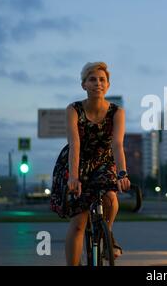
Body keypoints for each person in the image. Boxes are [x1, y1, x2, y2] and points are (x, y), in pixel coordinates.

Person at [50, 61, 131, 266]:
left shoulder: (117, 112)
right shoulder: (74, 109)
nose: (97, 83)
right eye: (92, 79)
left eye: (102, 80)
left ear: (108, 85)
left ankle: (108, 235)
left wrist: (122, 173)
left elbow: (117, 144)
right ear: (84, 85)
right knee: (79, 222)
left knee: (111, 197)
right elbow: (75, 144)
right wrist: (74, 177)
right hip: (76, 162)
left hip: (104, 161)